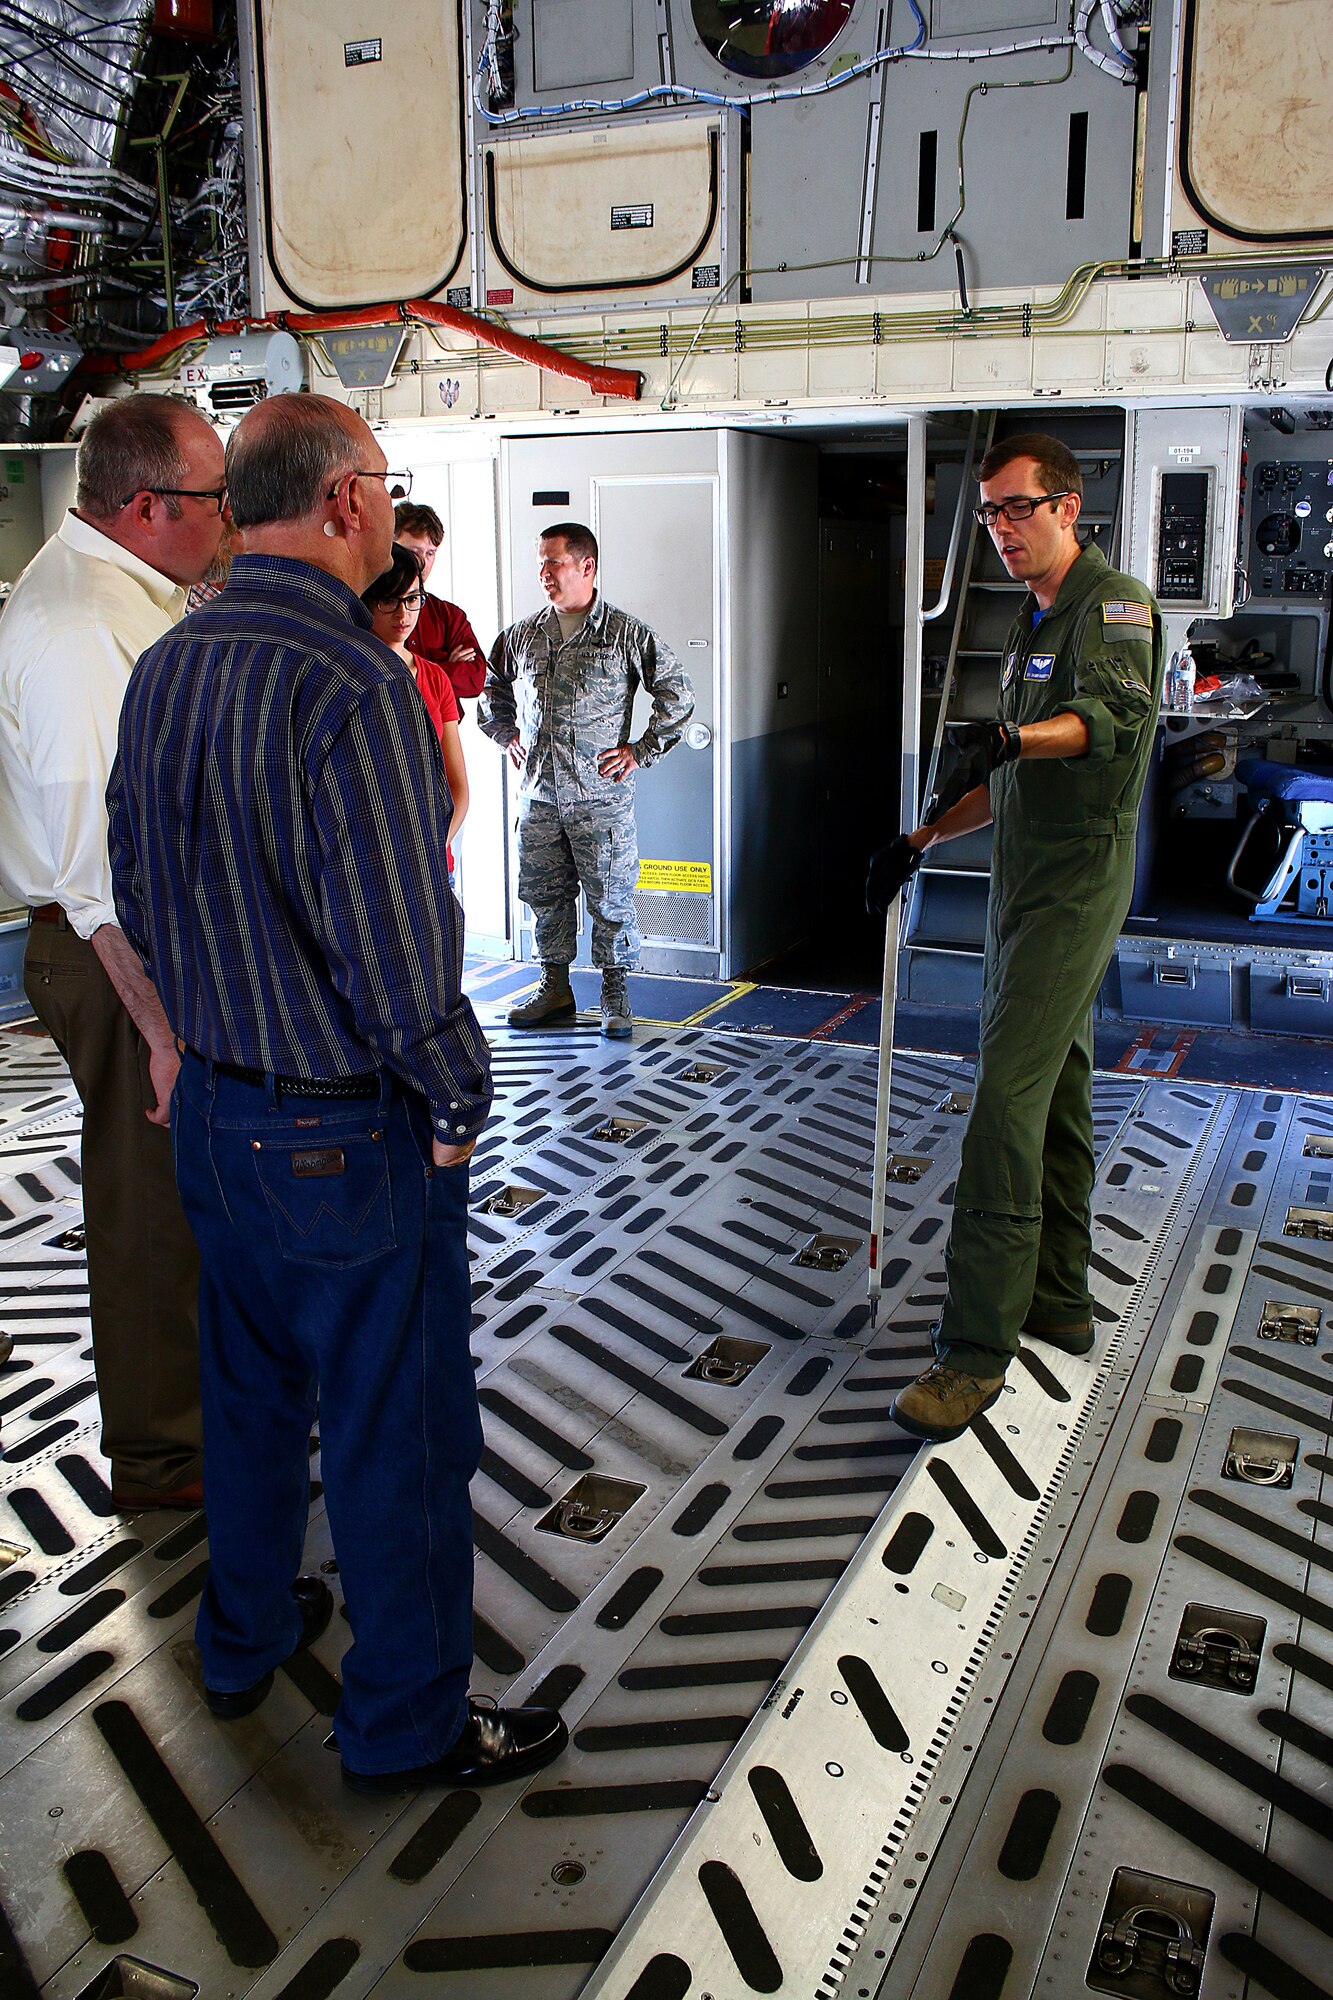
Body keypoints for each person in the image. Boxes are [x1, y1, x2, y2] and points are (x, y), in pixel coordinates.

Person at [107, 393, 566, 1793]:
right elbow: (391, 939)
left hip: (221, 1124)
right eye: (381, 476)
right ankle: (406, 1725)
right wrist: (452, 1098)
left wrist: (184, 1043)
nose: (384, 499)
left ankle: (239, 1644)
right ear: (343, 502)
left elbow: (128, 882)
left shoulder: (170, 665)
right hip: (344, 1136)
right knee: (397, 1434)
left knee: (248, 1402)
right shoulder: (352, 680)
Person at [867, 432, 1165, 1443]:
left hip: (1075, 883)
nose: (1002, 527)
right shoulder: (1027, 626)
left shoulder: (1112, 605)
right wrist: (917, 837)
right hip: (1020, 883)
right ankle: (1056, 1297)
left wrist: (1011, 734)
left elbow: (1104, 721)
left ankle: (972, 1351)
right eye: (989, 512)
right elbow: (1007, 776)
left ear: (1067, 506)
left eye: (1017, 507)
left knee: (1002, 1101)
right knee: (1058, 1089)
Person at [0, 391, 229, 1509]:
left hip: (145, 948)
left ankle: (200, 1421)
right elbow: (97, 864)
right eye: (216, 502)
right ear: (147, 505)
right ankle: (164, 1455)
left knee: (183, 1201)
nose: (229, 522)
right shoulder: (84, 622)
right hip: (116, 961)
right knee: (149, 1213)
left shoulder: (131, 594)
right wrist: (162, 1028)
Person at [479, 521, 694, 1038]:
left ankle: (615, 994)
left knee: (611, 899)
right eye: (541, 564)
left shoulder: (624, 634)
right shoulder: (523, 635)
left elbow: (678, 697)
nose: (544, 574)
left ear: (587, 567)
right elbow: (490, 692)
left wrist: (640, 751)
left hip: (600, 801)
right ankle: (553, 988)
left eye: (553, 563)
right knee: (543, 896)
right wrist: (506, 734)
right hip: (540, 798)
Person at [363, 544, 469, 879]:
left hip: (433, 857)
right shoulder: (352, 673)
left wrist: (434, 846)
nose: (402, 614)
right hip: (371, 859)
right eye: (389, 601)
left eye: (412, 600)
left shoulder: (435, 677)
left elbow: (459, 787)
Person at [393, 501, 486, 702]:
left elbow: (476, 679)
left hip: (443, 729)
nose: (423, 563)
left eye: (430, 553)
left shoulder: (449, 615)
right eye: (414, 551)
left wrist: (417, 670)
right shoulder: (371, 608)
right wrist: (444, 666)